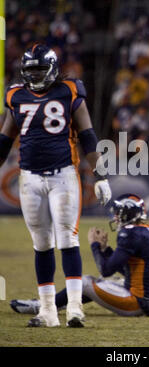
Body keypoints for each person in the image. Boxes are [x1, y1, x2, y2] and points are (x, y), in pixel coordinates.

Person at [0, 44, 112, 328]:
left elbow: (87, 135)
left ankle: (75, 308)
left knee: (67, 239)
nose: (35, 76)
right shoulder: (16, 95)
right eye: (31, 71)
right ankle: (48, 310)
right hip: (30, 178)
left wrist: (100, 176)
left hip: (63, 175)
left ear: (52, 69)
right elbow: (4, 139)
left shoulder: (69, 91)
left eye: (40, 70)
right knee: (41, 244)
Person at [10, 193, 149, 318]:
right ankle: (62, 303)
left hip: (138, 302)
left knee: (85, 282)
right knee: (103, 283)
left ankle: (44, 306)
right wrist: (105, 249)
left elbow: (106, 269)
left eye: (118, 213)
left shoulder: (130, 233)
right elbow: (131, 270)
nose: (115, 217)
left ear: (127, 213)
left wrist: (94, 245)